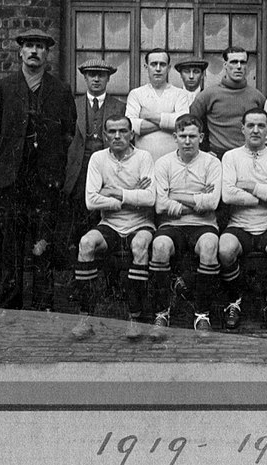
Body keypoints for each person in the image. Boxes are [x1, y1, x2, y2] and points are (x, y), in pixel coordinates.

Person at [0, 29, 76, 311]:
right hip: (11, 180)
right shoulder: (3, 88)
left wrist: (56, 171)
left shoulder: (60, 90)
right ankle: (10, 305)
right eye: (29, 46)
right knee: (10, 244)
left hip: (45, 181)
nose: (34, 51)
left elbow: (68, 133)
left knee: (42, 244)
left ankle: (43, 305)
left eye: (40, 46)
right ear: (20, 53)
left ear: (47, 54)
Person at [70, 115, 156, 340]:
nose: (118, 136)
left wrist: (113, 191)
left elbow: (149, 199)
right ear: (105, 136)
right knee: (86, 243)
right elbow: (91, 201)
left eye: (123, 131)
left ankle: (134, 318)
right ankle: (85, 316)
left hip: (141, 224)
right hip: (109, 224)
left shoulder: (144, 157)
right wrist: (130, 195)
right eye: (112, 132)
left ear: (132, 134)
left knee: (139, 245)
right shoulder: (98, 159)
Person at [219, 108, 267, 330]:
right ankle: (236, 300)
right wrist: (265, 192)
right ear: (242, 129)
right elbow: (228, 194)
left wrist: (249, 185)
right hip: (239, 224)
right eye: (250, 125)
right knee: (224, 250)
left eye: (261, 126)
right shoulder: (231, 157)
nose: (256, 130)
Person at [150, 114, 222, 331]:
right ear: (175, 137)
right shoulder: (163, 163)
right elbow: (160, 205)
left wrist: (176, 195)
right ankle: (161, 313)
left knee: (209, 246)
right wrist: (197, 200)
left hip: (204, 224)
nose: (188, 141)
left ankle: (202, 314)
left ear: (201, 137)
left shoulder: (212, 163)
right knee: (160, 247)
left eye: (192, 136)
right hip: (172, 225)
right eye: (183, 136)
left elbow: (212, 203)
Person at [63, 59, 126, 257]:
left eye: (101, 75)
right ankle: (81, 266)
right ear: (85, 77)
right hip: (79, 170)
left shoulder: (119, 107)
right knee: (79, 217)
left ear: (108, 78)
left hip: (109, 169)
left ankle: (106, 271)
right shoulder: (73, 105)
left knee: (106, 217)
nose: (96, 79)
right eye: (92, 74)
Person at [190, 46, 266, 158]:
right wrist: (203, 151)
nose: (239, 67)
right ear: (225, 65)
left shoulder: (257, 97)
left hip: (248, 156)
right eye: (234, 62)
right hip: (218, 156)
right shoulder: (207, 95)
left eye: (243, 63)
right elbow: (192, 123)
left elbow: (266, 129)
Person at [126, 48, 189, 162]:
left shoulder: (180, 94)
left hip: (174, 161)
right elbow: (131, 126)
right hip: (143, 161)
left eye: (162, 64)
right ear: (146, 67)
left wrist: (148, 116)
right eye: (154, 64)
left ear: (169, 68)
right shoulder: (136, 94)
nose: (158, 69)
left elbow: (183, 124)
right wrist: (169, 121)